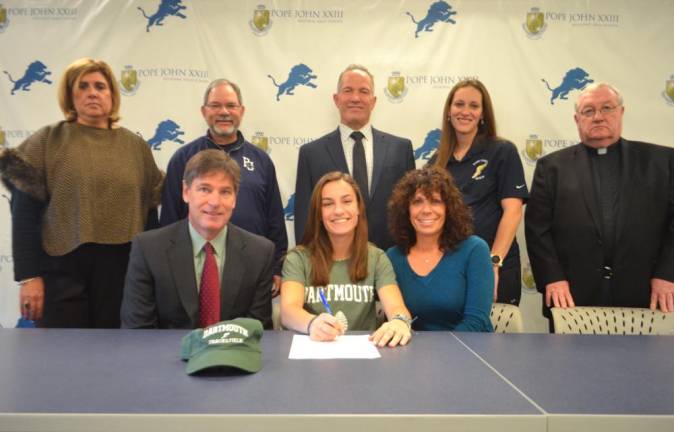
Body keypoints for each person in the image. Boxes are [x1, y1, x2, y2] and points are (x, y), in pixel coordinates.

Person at [0, 58, 163, 328]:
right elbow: (24, 215)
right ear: (70, 95)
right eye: (83, 86)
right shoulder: (47, 141)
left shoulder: (136, 148)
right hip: (60, 272)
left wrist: (151, 277)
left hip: (122, 273)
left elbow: (150, 220)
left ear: (112, 94)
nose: (92, 92)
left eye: (100, 86)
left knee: (118, 359)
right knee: (64, 360)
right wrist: (28, 277)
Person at [525, 83, 674, 319]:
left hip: (648, 293)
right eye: (588, 111)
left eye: (607, 108)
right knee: (573, 357)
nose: (598, 117)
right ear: (577, 119)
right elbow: (537, 230)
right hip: (571, 295)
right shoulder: (552, 167)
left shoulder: (662, 162)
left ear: (621, 112)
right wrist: (553, 278)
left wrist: (668, 275)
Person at [160, 79, 287, 297]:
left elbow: (274, 216)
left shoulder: (261, 160)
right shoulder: (183, 158)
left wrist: (277, 266)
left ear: (242, 111)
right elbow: (170, 219)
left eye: (231, 105)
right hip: (195, 266)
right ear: (204, 111)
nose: (224, 112)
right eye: (216, 105)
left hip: (252, 268)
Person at [122, 150, 274, 329]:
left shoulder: (260, 253)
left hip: (232, 355)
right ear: (186, 192)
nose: (214, 202)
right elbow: (138, 331)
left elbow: (257, 331)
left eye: (225, 192)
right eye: (204, 189)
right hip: (167, 355)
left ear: (235, 198)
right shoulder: (148, 249)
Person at [281, 171, 413, 347]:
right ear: (318, 213)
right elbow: (288, 311)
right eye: (328, 204)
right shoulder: (297, 259)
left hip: (366, 356)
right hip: (314, 354)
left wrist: (399, 322)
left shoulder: (377, 258)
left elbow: (397, 308)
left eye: (347, 201)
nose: (338, 210)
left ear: (358, 208)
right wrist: (312, 323)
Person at [294, 64, 415, 251]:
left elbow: (410, 211)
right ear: (336, 99)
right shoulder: (311, 153)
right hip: (330, 263)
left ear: (373, 101)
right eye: (348, 90)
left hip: (391, 260)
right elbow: (304, 217)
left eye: (363, 91)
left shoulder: (401, 149)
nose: (355, 98)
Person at [430, 79, 527, 305]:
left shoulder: (502, 151)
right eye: (459, 104)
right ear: (448, 112)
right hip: (452, 267)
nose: (465, 111)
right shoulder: (436, 162)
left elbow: (512, 212)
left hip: (497, 265)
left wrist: (493, 264)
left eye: (474, 106)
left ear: (483, 114)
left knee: (496, 337)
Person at [387, 166, 494, 331]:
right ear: (405, 210)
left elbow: (476, 322)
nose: (426, 210)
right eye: (417, 202)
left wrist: (439, 355)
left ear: (449, 208)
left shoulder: (475, 250)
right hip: (414, 352)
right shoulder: (393, 257)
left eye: (435, 201)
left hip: (469, 350)